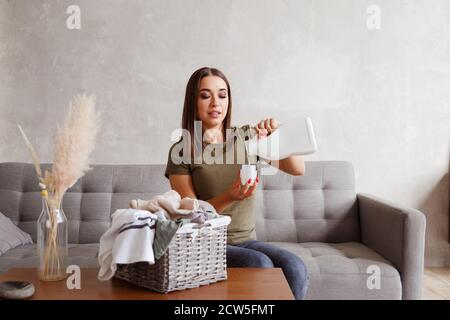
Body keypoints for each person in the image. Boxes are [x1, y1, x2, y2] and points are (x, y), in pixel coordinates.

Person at [164, 66, 309, 299]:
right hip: (205, 243)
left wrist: (278, 134)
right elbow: (190, 216)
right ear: (193, 101)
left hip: (246, 241)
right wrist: (230, 196)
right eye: (205, 95)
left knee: (295, 267)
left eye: (222, 95)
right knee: (258, 263)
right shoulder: (182, 151)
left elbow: (298, 169)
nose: (215, 103)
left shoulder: (247, 138)